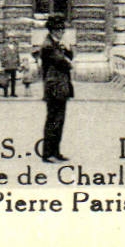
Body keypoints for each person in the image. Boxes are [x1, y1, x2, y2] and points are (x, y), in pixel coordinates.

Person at [39, 15, 74, 162]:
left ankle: (56, 152)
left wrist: (66, 49)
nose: (62, 32)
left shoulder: (56, 44)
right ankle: (47, 154)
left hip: (60, 87)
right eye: (60, 30)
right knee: (53, 121)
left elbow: (69, 56)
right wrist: (66, 55)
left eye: (63, 29)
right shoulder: (48, 45)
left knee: (59, 121)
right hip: (54, 87)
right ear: (53, 30)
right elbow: (63, 63)